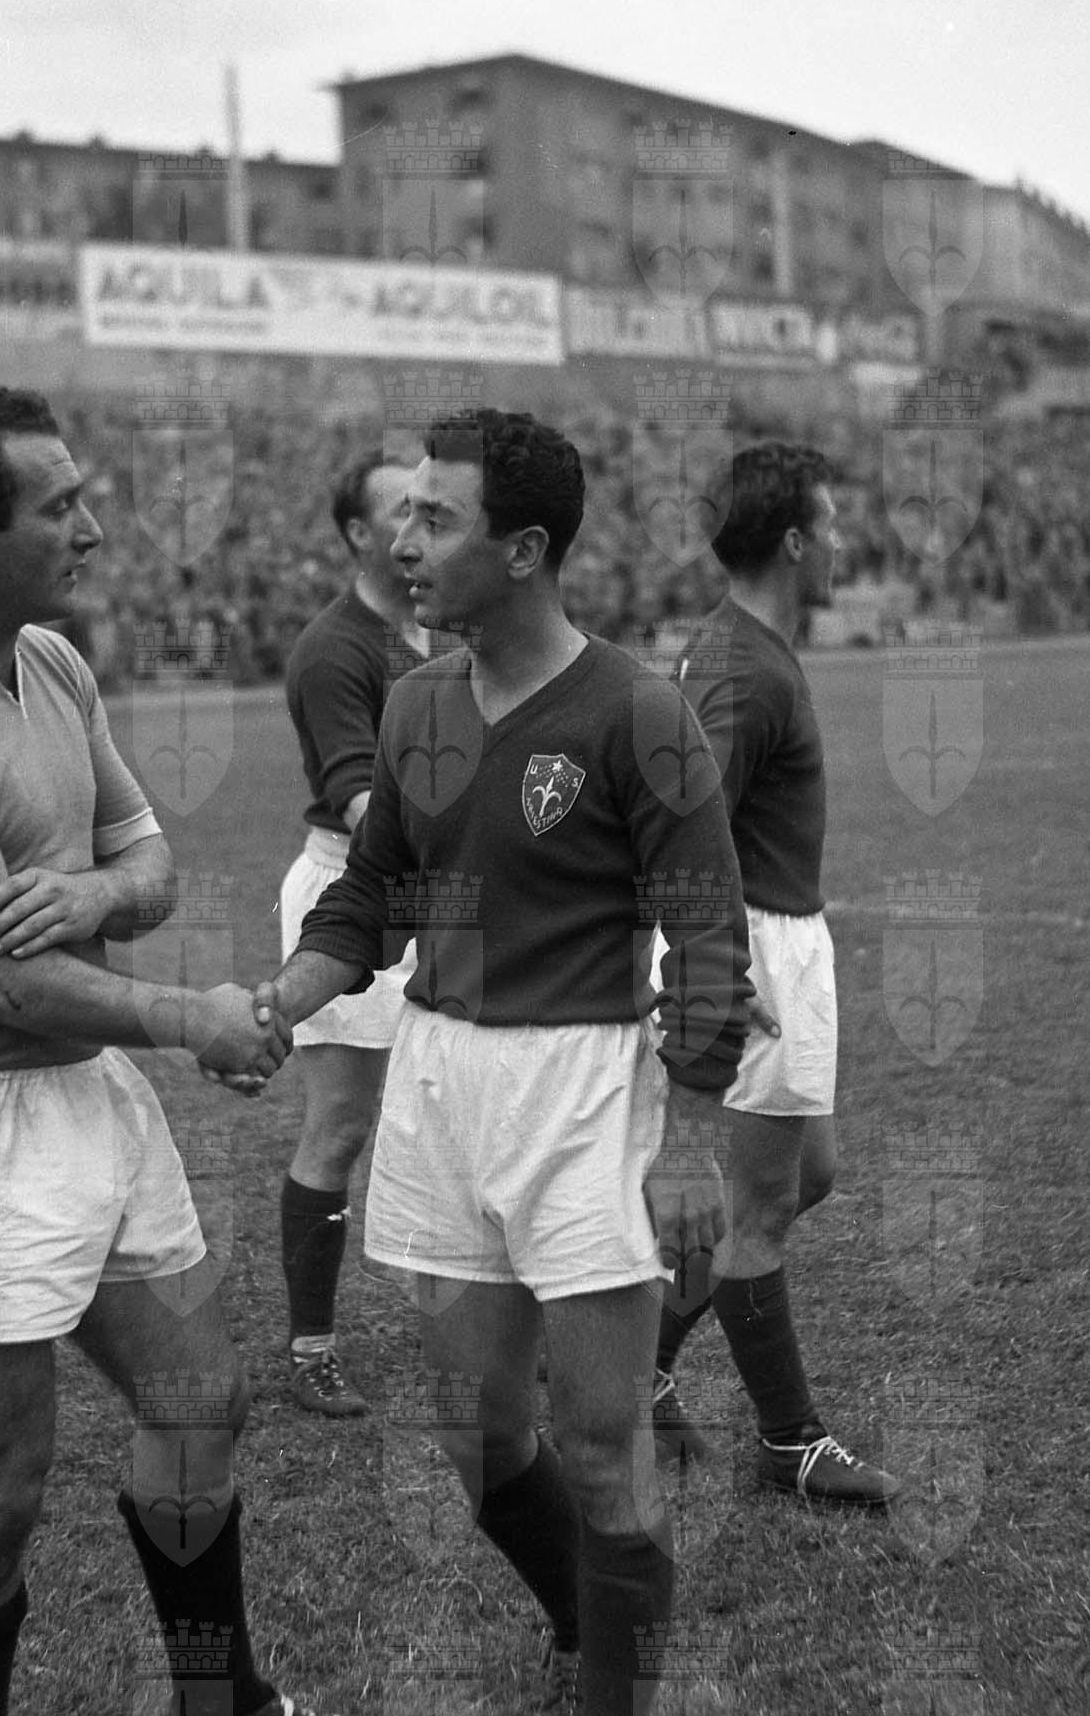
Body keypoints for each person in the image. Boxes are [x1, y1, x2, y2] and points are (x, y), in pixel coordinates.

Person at [0, 384, 330, 1716]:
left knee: (199, 1398)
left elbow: (148, 863)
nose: (93, 526)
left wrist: (96, 893)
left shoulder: (50, 660)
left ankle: (222, 1699)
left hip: (80, 1094)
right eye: (61, 504)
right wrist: (188, 1016)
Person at [260, 408, 758, 1716]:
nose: (403, 543)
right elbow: (373, 892)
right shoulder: (416, 702)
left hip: (582, 1089)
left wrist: (690, 1139)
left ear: (524, 549)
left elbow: (709, 933)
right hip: (439, 1079)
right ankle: (580, 1621)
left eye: (436, 519)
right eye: (403, 514)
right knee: (477, 1429)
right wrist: (286, 997)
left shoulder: (637, 712)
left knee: (598, 1443)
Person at [651, 441, 901, 1508]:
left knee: (808, 1174)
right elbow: (679, 820)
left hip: (779, 935)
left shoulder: (744, 648)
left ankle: (643, 1363)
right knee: (758, 1208)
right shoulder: (741, 668)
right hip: (749, 942)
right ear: (794, 541)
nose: (843, 540)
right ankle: (788, 1441)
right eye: (831, 523)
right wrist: (708, 966)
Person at [275, 448, 429, 1416]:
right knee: (339, 1124)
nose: (418, 528)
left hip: (443, 893)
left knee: (458, 1106)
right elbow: (364, 804)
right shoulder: (335, 648)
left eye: (430, 510)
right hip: (354, 887)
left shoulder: (441, 626)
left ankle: (495, 1316)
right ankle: (311, 1345)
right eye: (401, 511)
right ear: (357, 534)